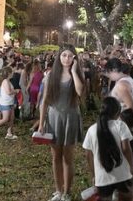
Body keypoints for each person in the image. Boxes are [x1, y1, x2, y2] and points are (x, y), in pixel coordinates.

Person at [39, 45, 85, 201]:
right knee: (55, 157)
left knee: (68, 158)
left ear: (74, 58)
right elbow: (44, 101)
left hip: (71, 118)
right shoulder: (51, 75)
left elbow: (80, 92)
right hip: (53, 119)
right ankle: (58, 191)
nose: (67, 58)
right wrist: (40, 123)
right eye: (64, 55)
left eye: (70, 56)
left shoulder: (77, 74)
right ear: (59, 57)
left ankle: (67, 192)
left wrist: (73, 71)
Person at [82, 97, 133, 201]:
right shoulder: (121, 125)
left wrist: (94, 175)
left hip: (102, 178)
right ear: (117, 112)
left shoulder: (91, 130)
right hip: (123, 175)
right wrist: (132, 165)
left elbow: (88, 155)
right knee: (127, 197)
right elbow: (126, 148)